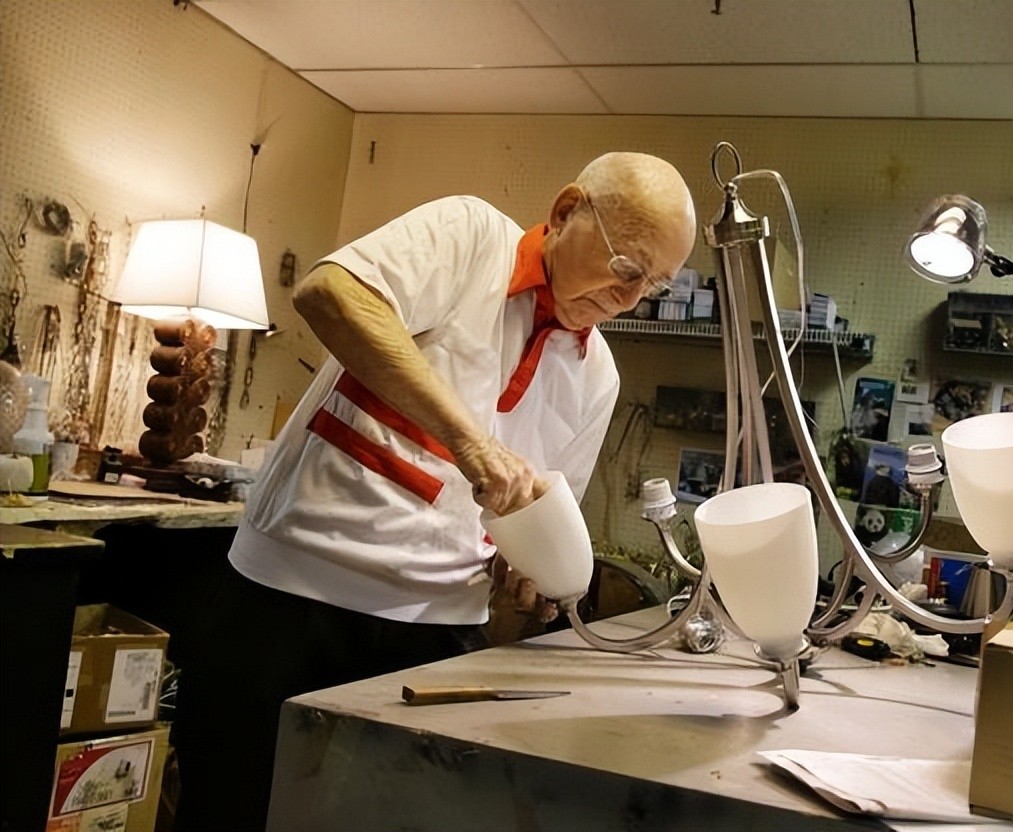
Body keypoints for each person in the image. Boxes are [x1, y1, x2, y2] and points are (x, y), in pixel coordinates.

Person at [174, 152, 697, 831]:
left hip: (437, 632)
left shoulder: (598, 377)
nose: (629, 298)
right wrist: (470, 441)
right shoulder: (471, 238)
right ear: (567, 211)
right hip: (291, 597)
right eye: (627, 266)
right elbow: (328, 293)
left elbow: (532, 518)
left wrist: (527, 574)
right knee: (231, 807)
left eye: (654, 286)